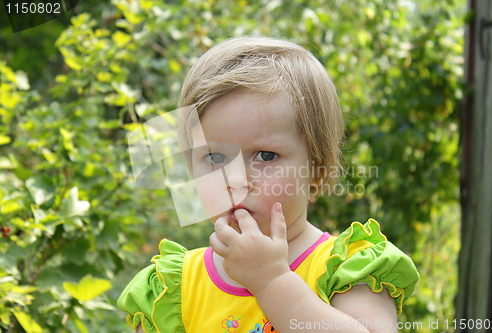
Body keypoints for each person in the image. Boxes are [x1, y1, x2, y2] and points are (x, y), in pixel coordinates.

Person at [118, 36, 419, 333]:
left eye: (265, 155)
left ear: (317, 169)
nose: (236, 181)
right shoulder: (176, 289)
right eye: (216, 156)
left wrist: (272, 282)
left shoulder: (348, 270)